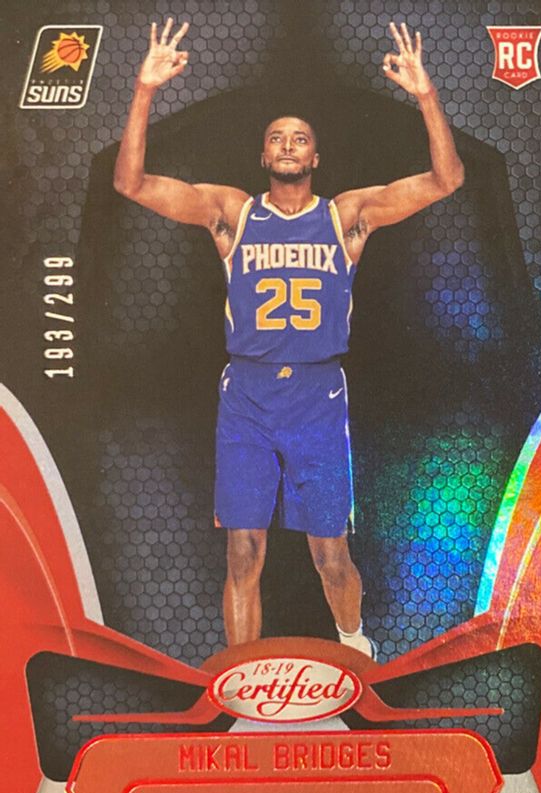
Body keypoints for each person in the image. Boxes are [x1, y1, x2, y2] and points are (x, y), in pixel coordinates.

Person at [114, 18, 464, 658]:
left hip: (317, 397)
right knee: (243, 551)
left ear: (315, 158)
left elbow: (446, 181)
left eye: (300, 138)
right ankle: (241, 678)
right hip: (246, 397)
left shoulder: (346, 216)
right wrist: (143, 90)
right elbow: (130, 184)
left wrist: (427, 96)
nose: (287, 144)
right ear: (263, 156)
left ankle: (354, 641)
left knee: (331, 555)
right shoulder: (233, 213)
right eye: (276, 137)